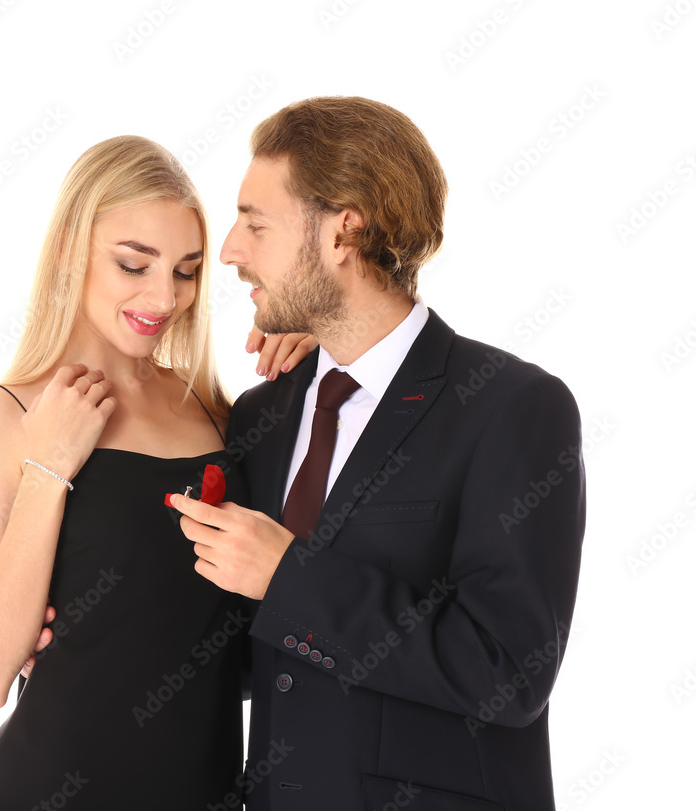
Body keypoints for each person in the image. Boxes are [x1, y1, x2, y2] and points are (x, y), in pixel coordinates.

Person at [169, 97, 586, 810]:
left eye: (256, 223)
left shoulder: (511, 408)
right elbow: (248, 656)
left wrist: (287, 575)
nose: (231, 250)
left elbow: (509, 673)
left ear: (345, 230)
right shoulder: (265, 414)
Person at [0, 135, 314, 809]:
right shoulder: (2, 416)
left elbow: (258, 629)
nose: (164, 296)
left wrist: (320, 358)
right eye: (133, 264)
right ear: (70, 249)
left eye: (186, 271)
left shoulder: (215, 411)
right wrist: (49, 468)